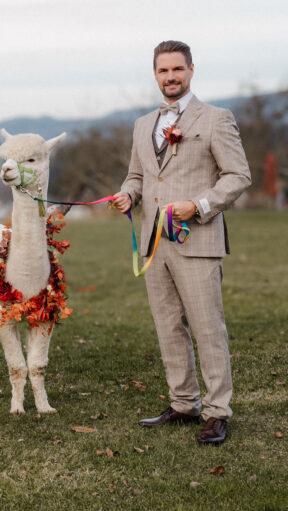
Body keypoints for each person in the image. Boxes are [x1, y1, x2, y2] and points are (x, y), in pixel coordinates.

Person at [112, 41, 251, 445]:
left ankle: (217, 411)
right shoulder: (142, 125)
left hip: (198, 240)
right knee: (168, 325)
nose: (170, 77)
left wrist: (200, 204)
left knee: (208, 328)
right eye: (163, 71)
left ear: (191, 70)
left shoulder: (215, 119)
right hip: (154, 244)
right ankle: (183, 402)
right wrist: (128, 195)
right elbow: (137, 176)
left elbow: (238, 175)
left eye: (177, 69)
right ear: (154, 74)